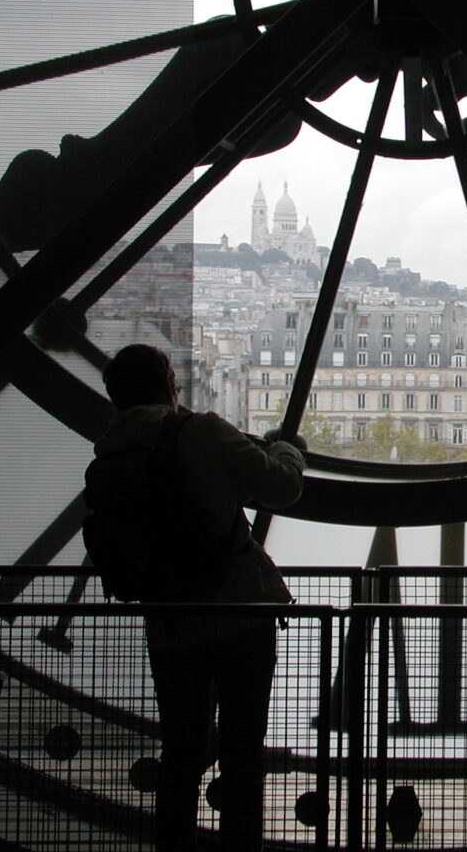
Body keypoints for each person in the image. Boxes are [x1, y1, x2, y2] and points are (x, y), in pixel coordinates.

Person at [94, 344, 304, 851]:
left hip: (170, 623)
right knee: (242, 755)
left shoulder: (110, 457)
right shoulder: (202, 433)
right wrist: (286, 448)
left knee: (182, 753)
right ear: (170, 383)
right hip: (238, 611)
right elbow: (281, 487)